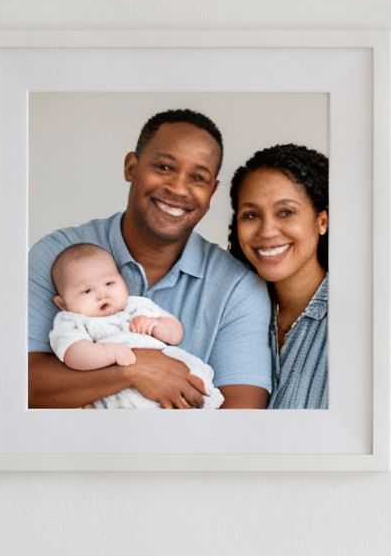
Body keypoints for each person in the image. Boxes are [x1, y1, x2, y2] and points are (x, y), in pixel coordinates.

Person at [27, 110, 271, 409]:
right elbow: (21, 384)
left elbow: (242, 416)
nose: (178, 188)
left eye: (198, 178)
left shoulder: (239, 289)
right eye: (164, 167)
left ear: (212, 191)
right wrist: (135, 368)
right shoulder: (56, 256)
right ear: (132, 166)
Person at [46, 242, 222, 409]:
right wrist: (111, 353)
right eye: (87, 291)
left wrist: (156, 324)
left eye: (109, 283)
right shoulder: (72, 321)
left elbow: (176, 334)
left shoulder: (137, 306)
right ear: (62, 303)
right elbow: (74, 355)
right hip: (121, 389)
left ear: (122, 281)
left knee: (197, 387)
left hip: (173, 369)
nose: (102, 294)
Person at [228, 144, 330, 409]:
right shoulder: (233, 310)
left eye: (286, 212)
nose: (267, 231)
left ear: (322, 221)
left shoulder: (359, 320)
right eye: (251, 215)